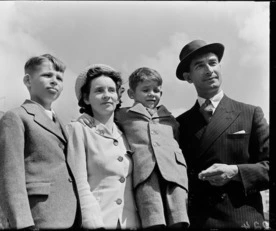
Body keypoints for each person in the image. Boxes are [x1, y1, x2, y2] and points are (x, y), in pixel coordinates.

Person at [175, 40, 269, 229]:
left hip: (243, 220)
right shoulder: (179, 124)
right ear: (188, 77)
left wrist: (235, 172)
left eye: (212, 62)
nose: (209, 70)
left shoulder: (250, 113)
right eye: (200, 65)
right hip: (198, 221)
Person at [80, 67, 189, 228]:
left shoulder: (171, 119)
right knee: (153, 217)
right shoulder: (123, 115)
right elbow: (104, 115)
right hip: (145, 173)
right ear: (131, 94)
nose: (152, 94)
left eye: (156, 90)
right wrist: (86, 116)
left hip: (175, 174)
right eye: (145, 90)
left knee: (179, 217)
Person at [0, 54, 81, 230]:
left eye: (59, 78)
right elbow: (8, 176)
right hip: (38, 217)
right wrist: (24, 224)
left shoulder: (63, 125)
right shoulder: (16, 117)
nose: (54, 81)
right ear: (28, 80)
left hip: (73, 218)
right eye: (47, 75)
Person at [66, 64, 141, 229]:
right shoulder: (78, 129)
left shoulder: (126, 134)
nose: (107, 96)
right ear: (86, 98)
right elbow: (80, 182)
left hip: (130, 223)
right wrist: (92, 223)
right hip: (98, 221)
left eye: (112, 90)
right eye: (99, 91)